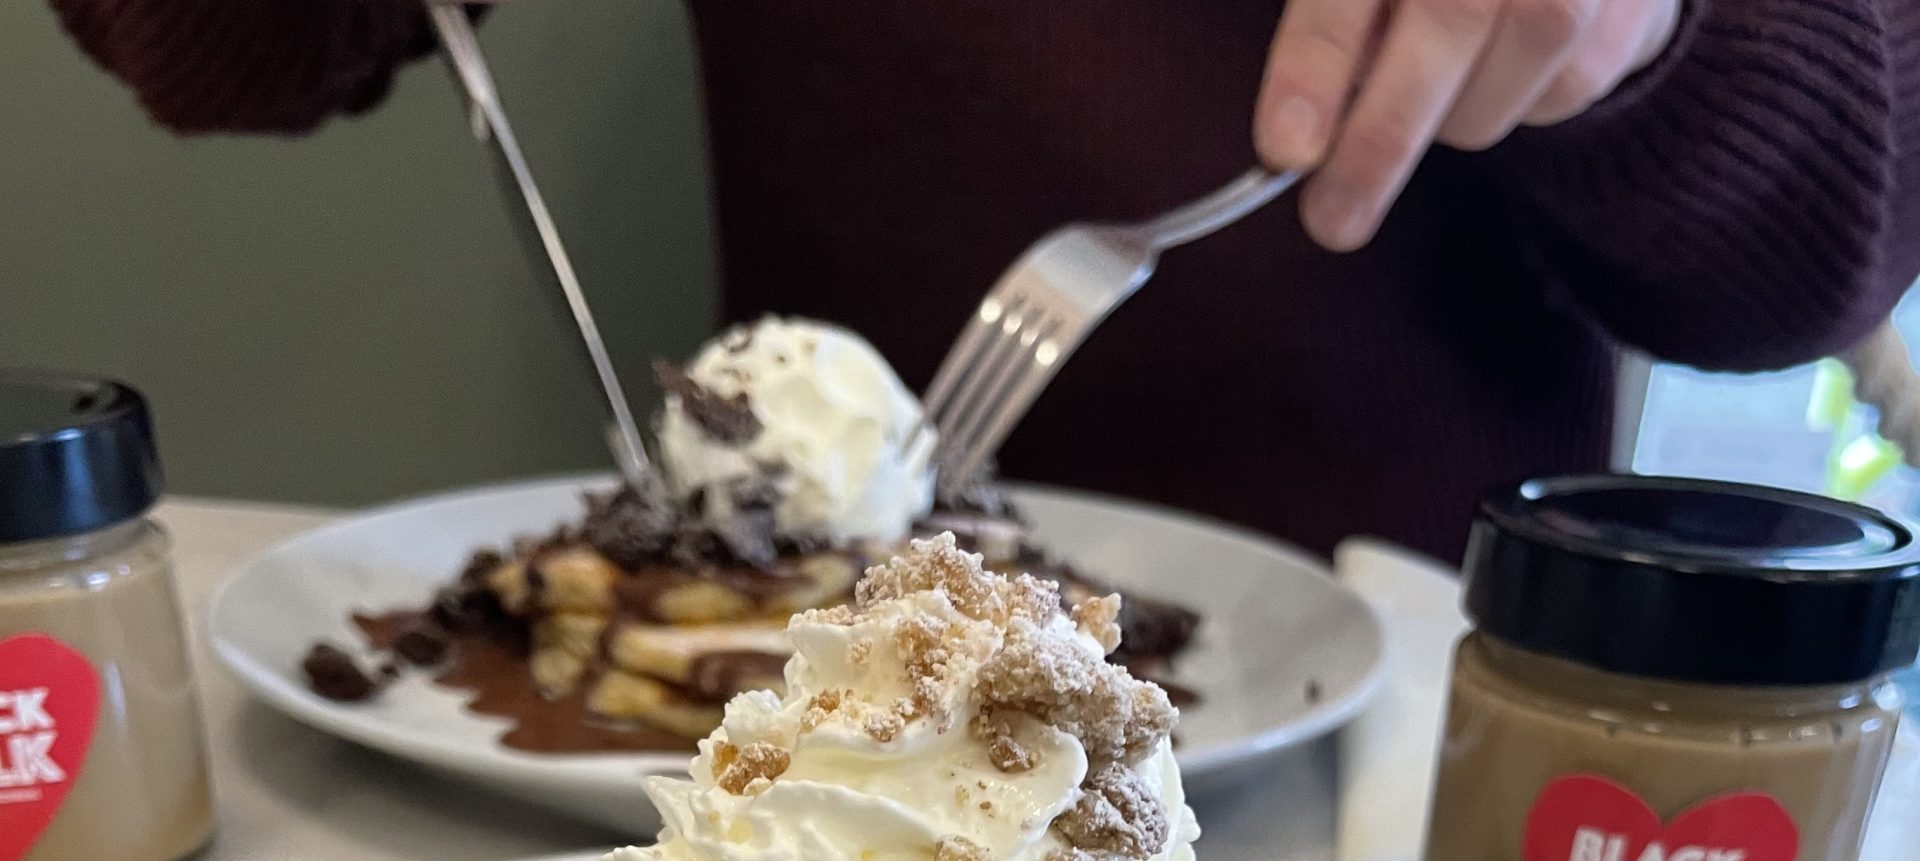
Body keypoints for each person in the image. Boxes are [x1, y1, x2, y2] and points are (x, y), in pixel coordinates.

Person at [46, 0, 1920, 559]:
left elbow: (1834, 236)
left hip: (1415, 756)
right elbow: (227, 51)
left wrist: (1659, 30)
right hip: (780, 709)